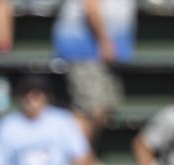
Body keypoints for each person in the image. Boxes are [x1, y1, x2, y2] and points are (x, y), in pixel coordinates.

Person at [0, 74, 110, 165]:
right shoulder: (7, 125)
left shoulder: (62, 121)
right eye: (27, 93)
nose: (31, 98)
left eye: (37, 94)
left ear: (47, 97)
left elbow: (82, 157)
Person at [52, 0, 135, 143]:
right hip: (85, 49)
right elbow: (91, 5)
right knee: (91, 109)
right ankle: (79, 160)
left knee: (102, 110)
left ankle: (84, 158)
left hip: (103, 54)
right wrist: (104, 40)